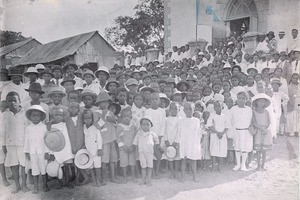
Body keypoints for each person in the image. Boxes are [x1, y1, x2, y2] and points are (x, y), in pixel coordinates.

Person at [2, 92, 29, 193]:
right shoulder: (5, 114)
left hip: (22, 143)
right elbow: (2, 131)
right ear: (7, 102)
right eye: (10, 100)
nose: (12, 102)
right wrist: (3, 145)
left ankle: (24, 184)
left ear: (19, 101)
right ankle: (17, 185)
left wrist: (28, 145)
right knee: (14, 164)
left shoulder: (25, 114)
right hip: (10, 144)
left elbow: (27, 130)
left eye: (15, 100)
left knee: (24, 164)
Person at [24, 105, 49, 194]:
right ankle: (36, 186)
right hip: (32, 152)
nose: (35, 117)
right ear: (30, 117)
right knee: (34, 169)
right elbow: (26, 140)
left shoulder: (44, 127)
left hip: (42, 151)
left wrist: (47, 152)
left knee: (43, 168)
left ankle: (45, 185)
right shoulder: (28, 128)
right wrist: (26, 151)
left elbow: (47, 140)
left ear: (41, 117)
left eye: (37, 115)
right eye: (33, 115)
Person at [48, 107, 74, 189]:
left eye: (60, 115)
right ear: (52, 116)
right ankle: (60, 182)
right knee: (59, 166)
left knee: (67, 166)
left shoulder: (65, 124)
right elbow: (49, 140)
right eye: (56, 115)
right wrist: (51, 153)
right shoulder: (51, 127)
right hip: (56, 149)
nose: (58, 117)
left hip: (66, 148)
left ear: (63, 116)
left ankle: (67, 181)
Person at [178, 102, 202, 182]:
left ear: (194, 110)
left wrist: (197, 144)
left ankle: (194, 176)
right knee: (183, 160)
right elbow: (179, 132)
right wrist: (178, 142)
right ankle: (182, 177)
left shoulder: (196, 120)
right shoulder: (181, 120)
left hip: (192, 142)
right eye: (186, 109)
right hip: (184, 142)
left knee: (193, 160)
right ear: (184, 110)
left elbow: (198, 133)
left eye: (190, 109)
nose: (188, 111)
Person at [230, 91, 253, 171]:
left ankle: (243, 164)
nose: (241, 100)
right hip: (237, 131)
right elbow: (231, 120)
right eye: (239, 98)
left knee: (244, 149)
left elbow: (250, 120)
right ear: (237, 99)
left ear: (246, 100)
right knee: (237, 148)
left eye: (243, 98)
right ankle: (238, 164)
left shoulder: (249, 109)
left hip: (246, 131)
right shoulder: (233, 109)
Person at [133, 115, 159, 186]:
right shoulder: (139, 133)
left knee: (150, 166)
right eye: (143, 124)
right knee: (143, 166)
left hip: (150, 153)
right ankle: (143, 180)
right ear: (141, 125)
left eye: (148, 124)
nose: (145, 126)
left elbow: (156, 142)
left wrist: (153, 147)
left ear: (151, 125)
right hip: (141, 153)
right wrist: (136, 151)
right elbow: (135, 143)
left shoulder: (152, 134)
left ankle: (149, 181)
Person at [116, 107, 137, 183]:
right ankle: (125, 177)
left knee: (132, 163)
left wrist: (133, 146)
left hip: (131, 148)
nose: (126, 118)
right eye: (124, 117)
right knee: (124, 163)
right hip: (123, 149)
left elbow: (135, 137)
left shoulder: (133, 126)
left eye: (128, 117)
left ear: (131, 117)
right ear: (121, 118)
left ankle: (133, 177)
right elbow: (118, 138)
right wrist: (123, 146)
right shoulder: (119, 126)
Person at [251, 94, 273, 170]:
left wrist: (266, 129)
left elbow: (269, 122)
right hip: (258, 132)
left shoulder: (266, 112)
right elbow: (254, 123)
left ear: (265, 103)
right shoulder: (254, 112)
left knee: (264, 150)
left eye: (263, 102)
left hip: (265, 132)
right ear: (256, 102)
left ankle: (263, 165)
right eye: (260, 101)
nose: (261, 103)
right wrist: (261, 129)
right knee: (258, 150)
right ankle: (258, 165)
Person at [207, 101, 230, 171]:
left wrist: (222, 133)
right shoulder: (212, 115)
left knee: (221, 151)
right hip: (214, 135)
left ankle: (219, 166)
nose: (217, 108)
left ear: (222, 107)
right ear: (214, 108)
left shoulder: (225, 116)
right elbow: (209, 125)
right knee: (214, 151)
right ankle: (213, 166)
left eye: (219, 106)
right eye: (216, 106)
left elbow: (227, 126)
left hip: (222, 136)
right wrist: (217, 132)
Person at [82, 109, 103, 187]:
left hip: (96, 150)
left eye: (89, 118)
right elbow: (85, 138)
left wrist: (100, 148)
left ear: (92, 119)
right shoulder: (83, 128)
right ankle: (93, 180)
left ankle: (98, 180)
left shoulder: (95, 127)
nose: (87, 120)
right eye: (85, 118)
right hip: (88, 151)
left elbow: (99, 138)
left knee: (97, 166)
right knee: (90, 166)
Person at [163, 102, 181, 179]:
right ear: (169, 110)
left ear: (179, 110)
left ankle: (176, 171)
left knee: (176, 157)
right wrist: (166, 140)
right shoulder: (166, 119)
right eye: (172, 109)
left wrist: (176, 141)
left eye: (175, 109)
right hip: (168, 140)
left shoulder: (180, 120)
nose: (174, 110)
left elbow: (180, 131)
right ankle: (172, 172)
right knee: (170, 156)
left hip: (176, 140)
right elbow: (164, 130)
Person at [0, 100, 10, 187]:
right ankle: (4, 179)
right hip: (1, 140)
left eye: (5, 107)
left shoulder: (8, 115)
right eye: (1, 107)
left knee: (9, 157)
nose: (3, 109)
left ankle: (11, 174)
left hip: (8, 139)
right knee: (1, 160)